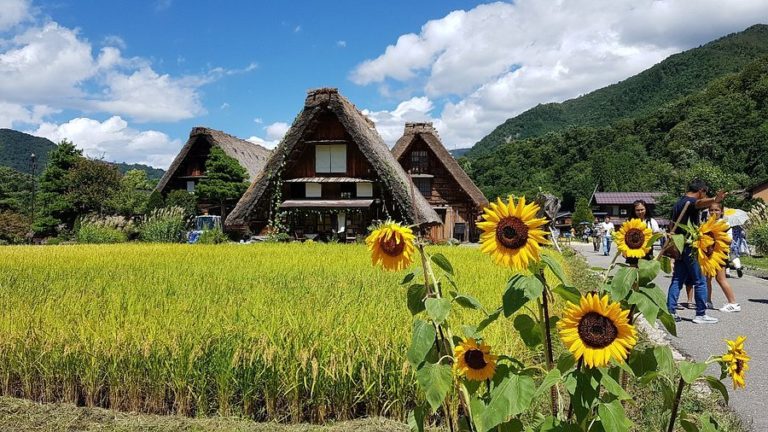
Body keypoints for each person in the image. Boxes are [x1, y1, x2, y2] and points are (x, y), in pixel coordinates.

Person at [666, 178, 726, 324]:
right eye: (705, 194)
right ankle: (700, 314)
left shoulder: (678, 203)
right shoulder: (690, 202)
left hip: (678, 246)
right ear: (701, 191)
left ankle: (670, 311)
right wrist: (714, 199)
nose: (704, 197)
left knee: (677, 280)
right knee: (700, 281)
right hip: (690, 247)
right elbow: (698, 203)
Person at [703, 202, 740, 312]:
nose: (714, 212)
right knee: (707, 279)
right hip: (708, 255)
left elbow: (728, 240)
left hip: (720, 255)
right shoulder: (707, 223)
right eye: (711, 210)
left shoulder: (725, 224)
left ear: (722, 211)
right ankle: (707, 301)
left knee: (720, 279)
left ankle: (733, 303)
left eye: (716, 210)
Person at [626, 200, 661, 265]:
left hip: (647, 252)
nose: (640, 212)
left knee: (645, 271)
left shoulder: (651, 221)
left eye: (642, 209)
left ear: (646, 209)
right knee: (633, 270)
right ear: (634, 211)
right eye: (637, 210)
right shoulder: (630, 222)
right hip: (633, 251)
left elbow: (657, 235)